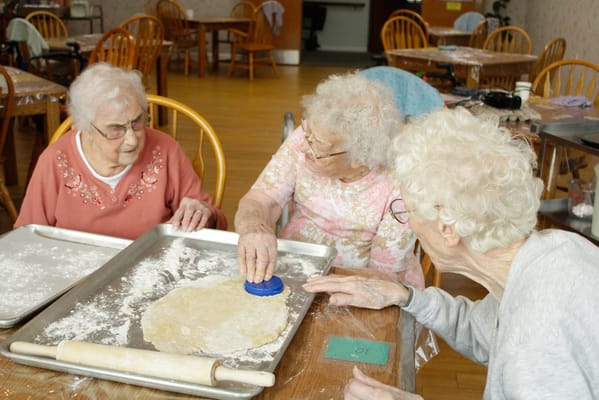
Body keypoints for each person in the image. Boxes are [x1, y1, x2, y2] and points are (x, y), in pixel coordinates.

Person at [303, 108, 599, 399]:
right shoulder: (556, 249)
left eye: (408, 210)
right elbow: (483, 332)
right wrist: (406, 296)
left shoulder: (535, 344)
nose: (410, 223)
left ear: (448, 228)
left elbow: (526, 349)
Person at [235, 71, 423, 288]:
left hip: (363, 283)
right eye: (307, 133)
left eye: (318, 147)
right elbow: (259, 200)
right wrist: (253, 226)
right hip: (298, 264)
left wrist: (319, 280)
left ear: (360, 158)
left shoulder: (401, 183)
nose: (304, 146)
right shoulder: (311, 136)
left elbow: (383, 279)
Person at [15, 63, 227, 239]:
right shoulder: (56, 160)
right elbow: (26, 238)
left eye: (137, 122)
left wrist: (203, 213)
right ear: (84, 128)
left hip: (150, 271)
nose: (132, 139)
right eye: (116, 129)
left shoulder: (165, 149)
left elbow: (215, 222)